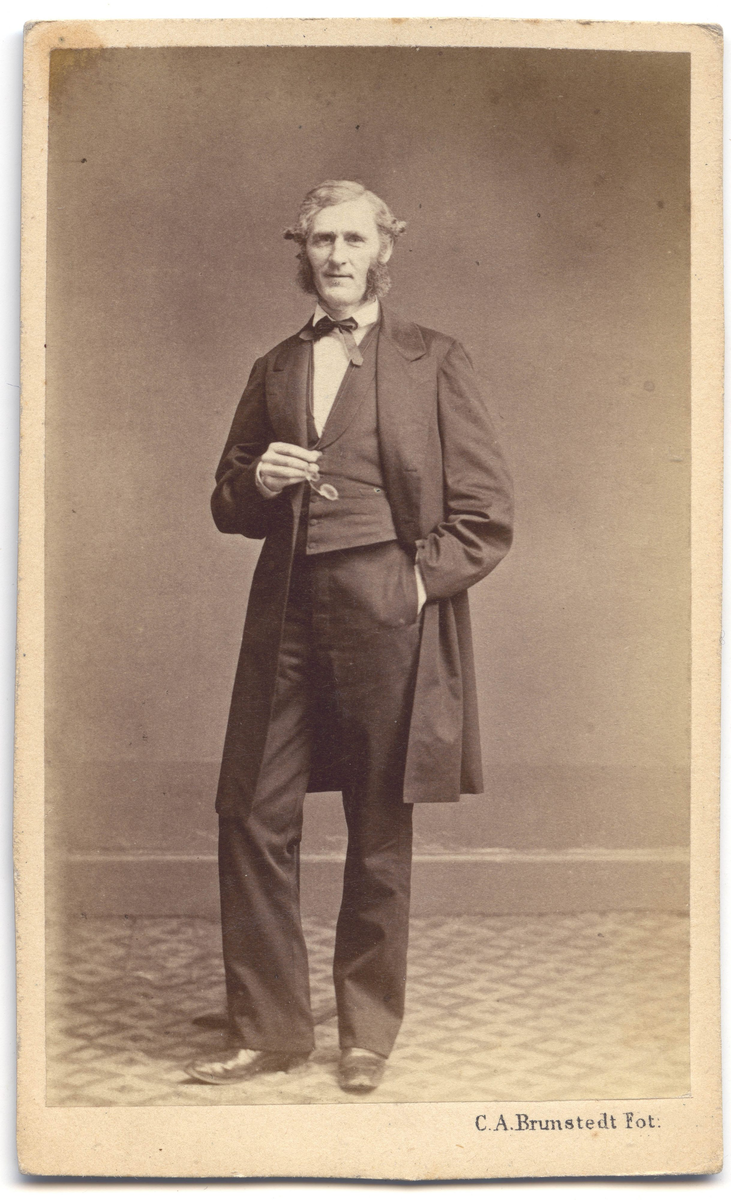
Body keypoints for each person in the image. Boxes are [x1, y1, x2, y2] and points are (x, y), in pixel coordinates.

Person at [185, 179, 513, 1093]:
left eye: (353, 240)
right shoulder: (277, 366)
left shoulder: (433, 358)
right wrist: (259, 482)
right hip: (286, 608)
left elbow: (487, 513)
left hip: (387, 608)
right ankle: (271, 1031)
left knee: (377, 823)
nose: (336, 256)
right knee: (252, 812)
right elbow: (227, 501)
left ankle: (366, 1034)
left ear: (383, 252)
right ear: (302, 251)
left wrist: (412, 583)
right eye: (321, 240)